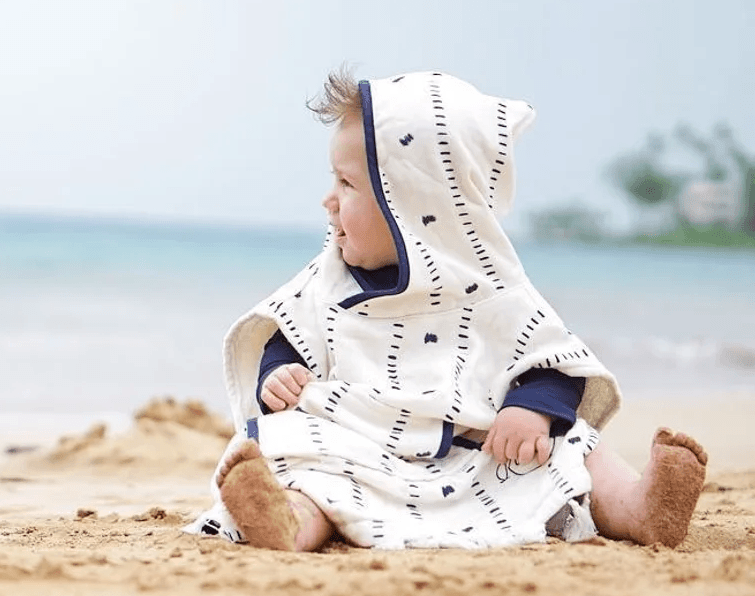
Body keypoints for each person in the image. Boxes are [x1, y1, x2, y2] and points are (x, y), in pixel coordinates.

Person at [185, 69, 708, 551]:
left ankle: (639, 509)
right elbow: (287, 335)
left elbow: (551, 360)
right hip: (358, 460)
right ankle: (288, 522)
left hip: (476, 462)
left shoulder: (491, 291)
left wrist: (530, 410)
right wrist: (278, 375)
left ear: (410, 201)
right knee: (300, 460)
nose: (328, 200)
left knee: (573, 446)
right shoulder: (327, 283)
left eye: (346, 185)